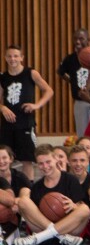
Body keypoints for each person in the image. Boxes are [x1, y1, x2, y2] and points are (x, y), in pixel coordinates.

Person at [14, 144, 90, 245]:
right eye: (41, 163)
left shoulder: (70, 180)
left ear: (56, 159)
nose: (45, 166)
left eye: (48, 162)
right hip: (58, 235)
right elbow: (34, 216)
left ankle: (38, 238)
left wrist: (74, 206)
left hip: (69, 230)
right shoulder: (37, 187)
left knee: (85, 209)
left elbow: (79, 207)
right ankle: (60, 237)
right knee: (23, 201)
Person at [0, 45, 54, 181]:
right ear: (5, 58)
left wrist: (36, 105)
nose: (13, 59)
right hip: (7, 125)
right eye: (10, 56)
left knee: (26, 160)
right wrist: (2, 108)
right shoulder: (3, 77)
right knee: (4, 160)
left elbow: (49, 91)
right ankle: (7, 188)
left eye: (16, 56)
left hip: (25, 123)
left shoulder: (30, 73)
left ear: (21, 58)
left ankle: (27, 189)